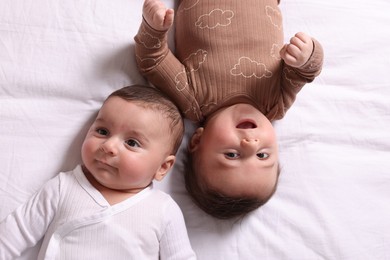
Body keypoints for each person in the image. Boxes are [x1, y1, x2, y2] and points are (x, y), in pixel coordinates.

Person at [134, 0, 324, 219]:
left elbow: (152, 61)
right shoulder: (275, 103)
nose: (251, 144)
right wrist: (307, 56)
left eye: (232, 154)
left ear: (197, 141)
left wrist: (153, 29)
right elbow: (304, 74)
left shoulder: (192, 99)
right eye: (262, 155)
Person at [0, 85, 196, 259]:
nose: (109, 146)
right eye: (102, 131)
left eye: (131, 143)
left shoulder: (163, 210)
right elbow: (12, 235)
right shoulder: (63, 188)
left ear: (162, 167)